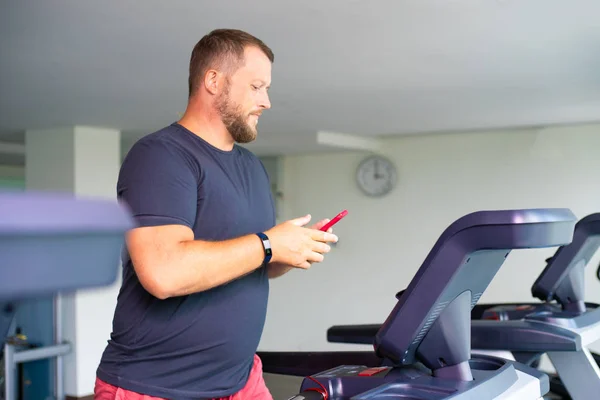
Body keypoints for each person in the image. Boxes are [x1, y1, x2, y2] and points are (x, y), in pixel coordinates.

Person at [94, 28, 338, 400]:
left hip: (240, 380)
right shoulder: (161, 156)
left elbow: (253, 260)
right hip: (157, 387)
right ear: (213, 80)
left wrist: (290, 250)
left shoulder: (252, 167)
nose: (267, 101)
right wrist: (269, 243)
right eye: (257, 86)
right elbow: (164, 273)